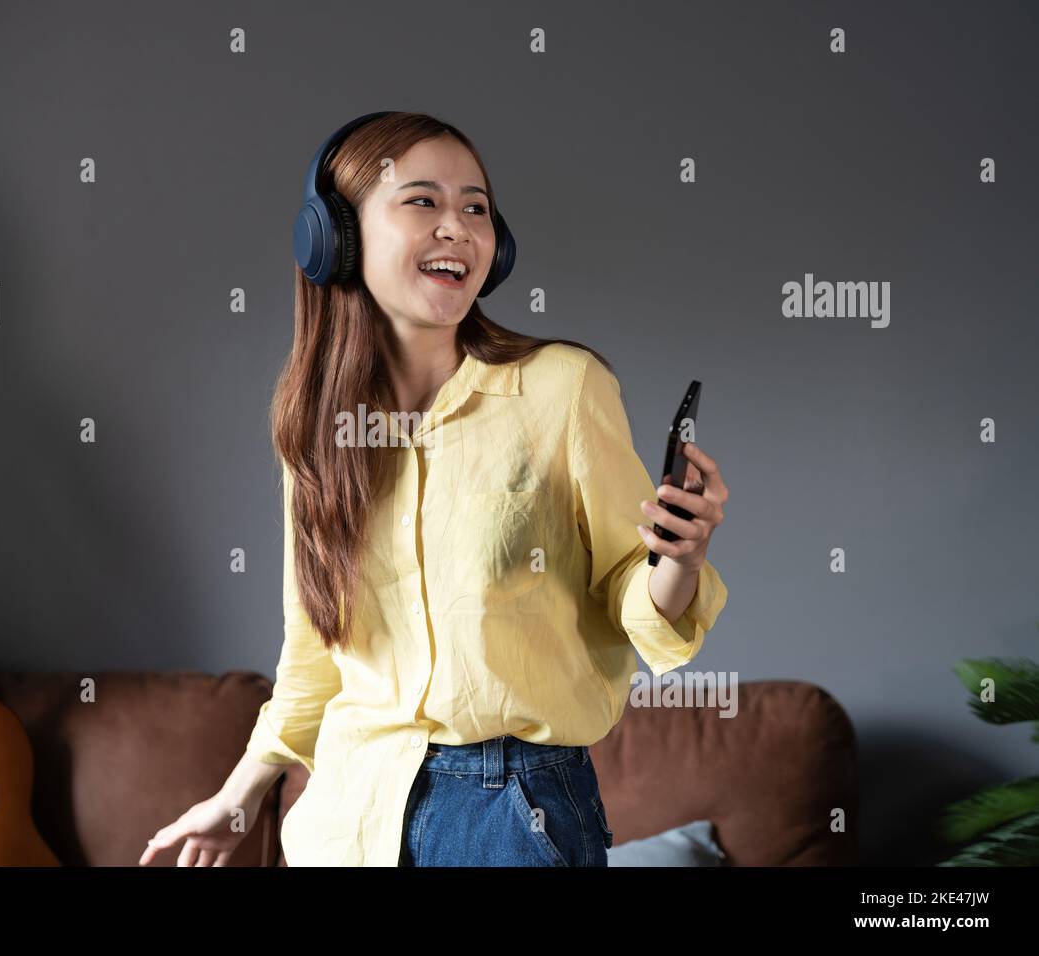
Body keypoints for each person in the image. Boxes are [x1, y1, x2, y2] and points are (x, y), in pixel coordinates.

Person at [139, 111, 730, 867]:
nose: (458, 227)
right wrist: (238, 795)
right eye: (423, 201)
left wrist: (678, 559)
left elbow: (629, 590)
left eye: (476, 208)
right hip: (346, 818)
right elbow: (317, 650)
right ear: (338, 240)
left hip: (513, 813)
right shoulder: (318, 430)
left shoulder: (562, 389)